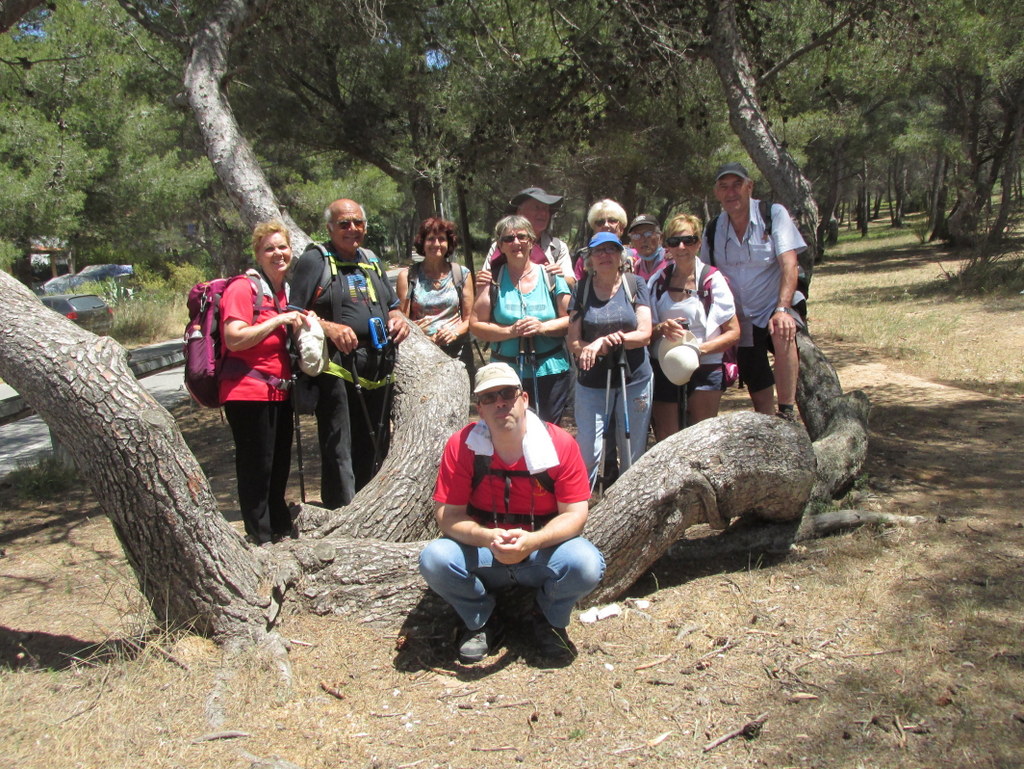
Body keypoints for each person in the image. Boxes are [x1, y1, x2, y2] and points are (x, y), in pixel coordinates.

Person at [419, 363, 604, 664]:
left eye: (507, 393)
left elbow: (575, 514)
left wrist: (533, 541)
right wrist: (486, 537)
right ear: (479, 407)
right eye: (489, 397)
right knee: (435, 559)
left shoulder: (560, 444)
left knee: (586, 563)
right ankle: (482, 619)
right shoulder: (461, 446)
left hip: (540, 553)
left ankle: (547, 617)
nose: (500, 402)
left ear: (524, 399)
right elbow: (448, 516)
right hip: (484, 552)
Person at [289, 198, 409, 508]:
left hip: (378, 367)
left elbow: (392, 306)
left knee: (375, 441)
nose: (352, 229)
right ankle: (343, 511)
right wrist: (328, 327)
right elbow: (293, 313)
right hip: (336, 369)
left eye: (358, 223)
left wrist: (398, 319)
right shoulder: (315, 261)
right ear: (330, 227)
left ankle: (374, 510)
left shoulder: (370, 260)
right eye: (344, 223)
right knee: (340, 446)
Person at [221, 221, 308, 544]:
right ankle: (259, 535)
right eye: (269, 248)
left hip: (278, 393)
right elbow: (234, 338)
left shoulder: (283, 292)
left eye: (282, 247)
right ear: (257, 254)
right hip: (247, 391)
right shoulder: (243, 288)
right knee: (257, 466)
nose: (278, 254)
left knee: (278, 463)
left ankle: (278, 525)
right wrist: (278, 320)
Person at [703, 162, 806, 421]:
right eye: (724, 187)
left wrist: (783, 309)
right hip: (741, 317)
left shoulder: (772, 214)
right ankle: (769, 425)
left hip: (772, 305)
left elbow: (789, 264)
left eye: (737, 185)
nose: (731, 192)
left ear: (750, 186)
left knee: (783, 330)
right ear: (717, 193)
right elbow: (705, 272)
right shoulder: (713, 229)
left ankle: (787, 412)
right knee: (755, 376)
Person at [567, 233, 653, 487]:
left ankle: (627, 508)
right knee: (589, 452)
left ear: (620, 256)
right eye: (598, 251)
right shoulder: (581, 289)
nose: (605, 255)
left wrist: (603, 342)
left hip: (634, 378)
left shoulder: (635, 284)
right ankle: (581, 511)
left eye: (611, 250)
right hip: (592, 382)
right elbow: (574, 343)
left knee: (632, 451)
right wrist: (595, 348)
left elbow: (645, 333)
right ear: (590, 259)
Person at [470, 215, 572, 424]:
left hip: (550, 372)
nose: (516, 243)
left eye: (522, 237)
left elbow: (572, 320)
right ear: (500, 246)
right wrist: (510, 332)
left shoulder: (551, 276)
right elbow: (476, 325)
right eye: (508, 239)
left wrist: (542, 327)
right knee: (510, 431)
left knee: (548, 432)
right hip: (506, 376)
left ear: (532, 241)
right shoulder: (491, 280)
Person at [648, 214, 741, 438]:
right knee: (666, 441)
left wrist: (696, 350)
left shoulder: (712, 280)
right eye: (674, 241)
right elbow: (646, 331)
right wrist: (661, 328)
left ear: (698, 243)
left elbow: (734, 332)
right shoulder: (657, 281)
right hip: (665, 366)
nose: (681, 247)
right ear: (666, 245)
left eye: (688, 240)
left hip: (706, 367)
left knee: (701, 440)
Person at [397, 216, 476, 384]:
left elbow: (470, 319)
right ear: (422, 243)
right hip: (421, 355)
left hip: (456, 353)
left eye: (442, 239)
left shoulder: (461, 274)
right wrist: (420, 337)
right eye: (431, 239)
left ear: (449, 244)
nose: (436, 244)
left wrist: (454, 333)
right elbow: (402, 320)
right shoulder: (408, 276)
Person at [484, 187, 575, 286]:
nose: (543, 213)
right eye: (536, 208)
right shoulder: (500, 246)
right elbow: (486, 282)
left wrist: (558, 277)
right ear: (519, 212)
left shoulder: (557, 248)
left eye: (546, 209)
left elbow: (572, 282)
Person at [572, 199, 631, 281]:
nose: (606, 225)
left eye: (612, 220)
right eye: (600, 222)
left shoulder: (634, 257)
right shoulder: (584, 258)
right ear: (594, 229)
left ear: (622, 228)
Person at [627, 214, 669, 282]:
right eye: (636, 236)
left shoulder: (670, 262)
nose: (642, 240)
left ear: (660, 237)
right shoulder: (637, 266)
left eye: (648, 234)